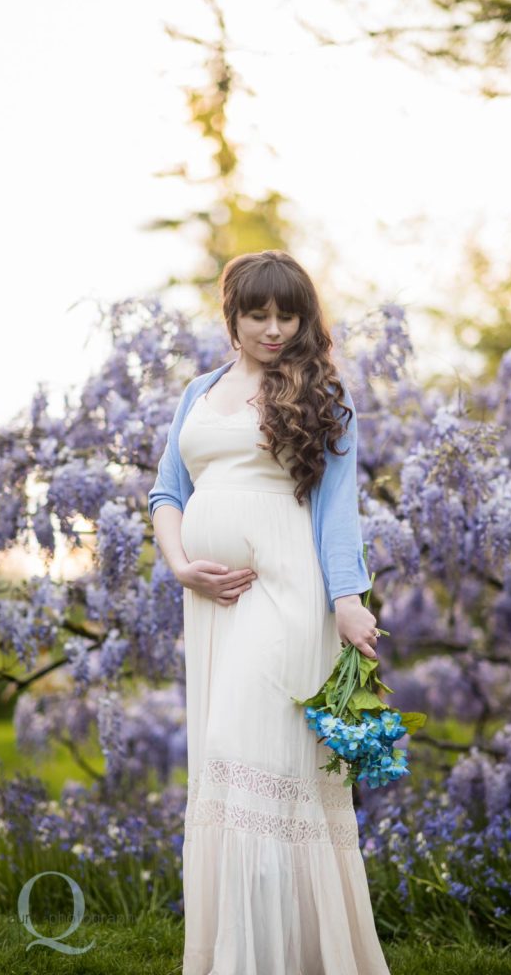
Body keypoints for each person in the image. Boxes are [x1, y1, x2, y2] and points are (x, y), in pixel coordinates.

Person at [148, 249, 391, 975]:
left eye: (289, 314)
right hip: (212, 604)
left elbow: (337, 516)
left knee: (244, 753)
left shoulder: (322, 396)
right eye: (259, 314)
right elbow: (167, 494)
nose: (276, 328)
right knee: (225, 769)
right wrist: (182, 566)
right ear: (234, 316)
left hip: (286, 595)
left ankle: (261, 959)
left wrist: (347, 604)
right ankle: (248, 954)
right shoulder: (199, 391)